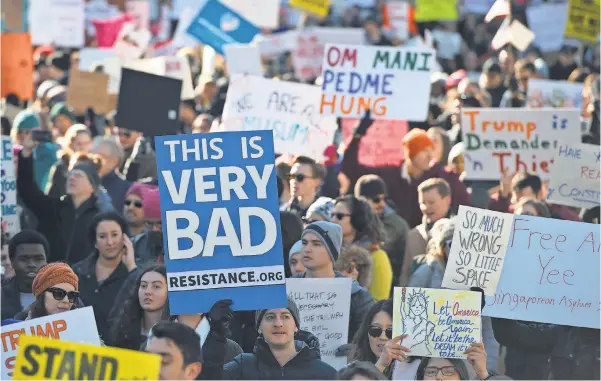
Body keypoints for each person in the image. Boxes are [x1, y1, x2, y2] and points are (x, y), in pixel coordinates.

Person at [341, 113, 470, 228]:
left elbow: (466, 207)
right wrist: (357, 135)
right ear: (411, 154)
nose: (430, 156)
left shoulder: (442, 176)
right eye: (424, 151)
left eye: (431, 151)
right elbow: (352, 169)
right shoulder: (390, 175)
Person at [17, 138, 102, 264]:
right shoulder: (52, 208)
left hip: (83, 280)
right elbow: (27, 189)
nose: (72, 178)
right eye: (70, 175)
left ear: (92, 186)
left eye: (78, 175)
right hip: (49, 277)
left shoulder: (100, 218)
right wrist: (26, 154)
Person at [295, 221, 374, 342]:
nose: (307, 249)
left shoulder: (357, 296)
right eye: (304, 243)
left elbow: (368, 340)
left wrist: (354, 349)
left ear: (332, 251)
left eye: (316, 244)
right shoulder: (287, 289)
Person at [223, 298, 338, 379]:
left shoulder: (326, 374)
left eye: (285, 316)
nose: (278, 324)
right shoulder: (241, 368)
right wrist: (216, 333)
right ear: (259, 328)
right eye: (270, 317)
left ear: (296, 327)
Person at [72, 211, 137, 340]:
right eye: (102, 236)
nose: (110, 242)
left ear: (125, 238)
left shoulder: (134, 273)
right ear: (95, 242)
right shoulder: (77, 272)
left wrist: (132, 267)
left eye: (115, 235)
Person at [332, 196, 392, 301]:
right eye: (332, 215)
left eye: (339, 216)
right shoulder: (328, 252)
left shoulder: (377, 256)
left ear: (357, 219)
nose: (332, 220)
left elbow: (378, 303)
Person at [354, 175, 409, 288]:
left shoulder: (395, 225)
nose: (382, 204)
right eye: (376, 200)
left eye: (384, 199)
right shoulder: (354, 221)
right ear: (362, 201)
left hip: (389, 287)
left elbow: (372, 247)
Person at [400, 178, 453, 287]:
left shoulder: (461, 233)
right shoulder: (413, 235)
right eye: (422, 203)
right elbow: (405, 274)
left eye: (431, 202)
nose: (425, 208)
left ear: (447, 200)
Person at [1, 230, 48, 320]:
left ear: (46, 261)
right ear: (12, 262)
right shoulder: (2, 297)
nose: (32, 264)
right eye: (24, 259)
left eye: (38, 259)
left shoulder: (64, 294)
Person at [10, 110, 59, 191]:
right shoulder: (11, 154)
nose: (30, 136)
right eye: (27, 132)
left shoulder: (49, 153)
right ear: (18, 134)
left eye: (34, 132)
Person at [45, 124, 94, 197]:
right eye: (79, 144)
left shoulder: (94, 166)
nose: (83, 148)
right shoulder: (61, 168)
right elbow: (52, 196)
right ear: (71, 145)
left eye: (86, 143)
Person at [91, 136, 132, 212]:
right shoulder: (85, 182)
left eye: (100, 157)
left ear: (115, 161)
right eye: (92, 155)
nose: (94, 161)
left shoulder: (126, 190)